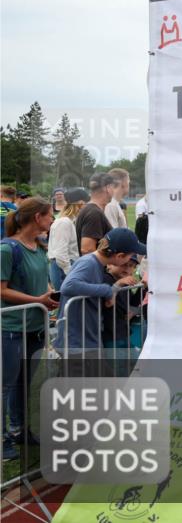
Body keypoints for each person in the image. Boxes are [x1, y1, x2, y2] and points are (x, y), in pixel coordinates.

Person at [1, 197, 57, 460]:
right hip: (11, 329)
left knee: (23, 384)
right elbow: (2, 290)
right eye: (50, 215)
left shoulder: (40, 247)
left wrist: (50, 295)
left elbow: (43, 282)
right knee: (6, 385)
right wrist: (37, 300)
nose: (52, 219)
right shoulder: (7, 249)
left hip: (34, 328)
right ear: (37, 217)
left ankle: (19, 430)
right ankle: (3, 440)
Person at [55, 228, 146, 353]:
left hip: (85, 340)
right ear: (120, 256)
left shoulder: (94, 263)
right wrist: (108, 291)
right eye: (131, 255)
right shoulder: (89, 262)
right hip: (77, 344)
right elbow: (69, 286)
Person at [47, 187, 88, 290]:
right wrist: (71, 273)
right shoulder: (64, 222)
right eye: (86, 203)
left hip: (66, 266)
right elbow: (60, 254)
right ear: (80, 203)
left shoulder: (70, 221)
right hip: (63, 268)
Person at [76, 172, 115, 255]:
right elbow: (87, 249)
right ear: (107, 188)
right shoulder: (94, 213)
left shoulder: (91, 210)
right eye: (113, 187)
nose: (114, 191)